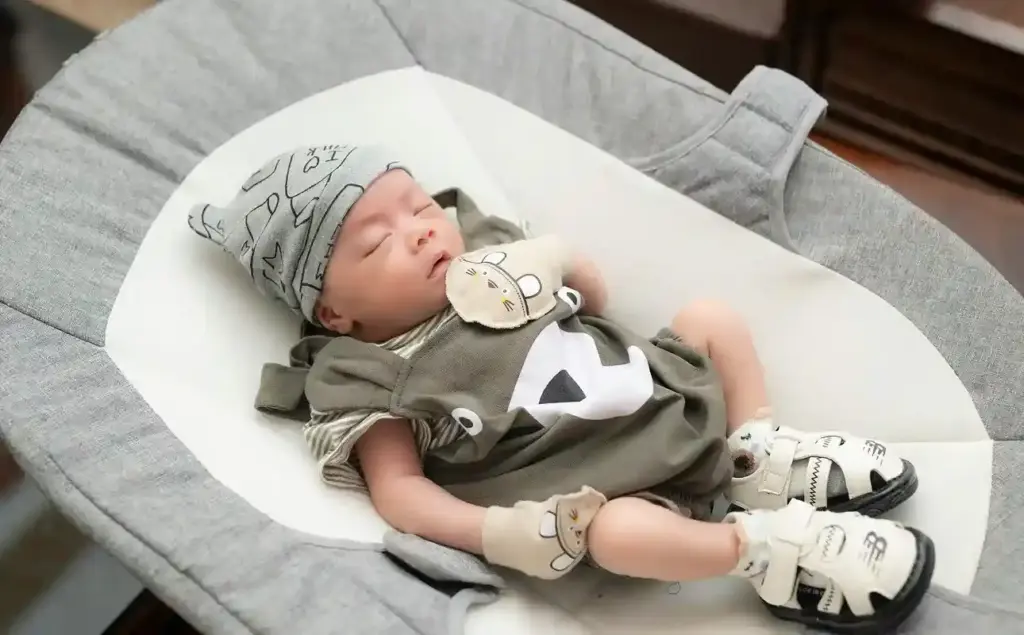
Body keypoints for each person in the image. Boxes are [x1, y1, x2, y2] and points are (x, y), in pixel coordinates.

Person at [189, 143, 935, 633]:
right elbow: (400, 493)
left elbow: (596, 304)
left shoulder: (486, 249)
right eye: (379, 241)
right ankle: (757, 549)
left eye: (418, 207)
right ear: (334, 312)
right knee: (615, 535)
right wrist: (498, 531)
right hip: (608, 484)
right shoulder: (370, 372)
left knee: (711, 319)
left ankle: (753, 450)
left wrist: (556, 261)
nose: (419, 230)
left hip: (658, 388)